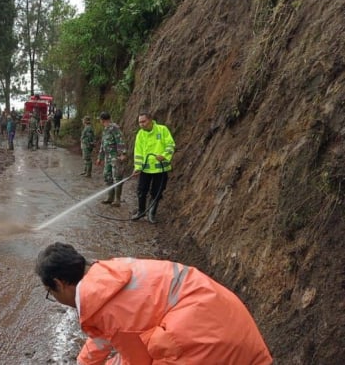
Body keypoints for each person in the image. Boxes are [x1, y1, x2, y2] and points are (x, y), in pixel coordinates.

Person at [35, 242, 273, 365]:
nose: (54, 298)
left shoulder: (109, 310)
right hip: (227, 318)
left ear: (60, 283)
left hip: (206, 341)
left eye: (50, 293)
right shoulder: (108, 276)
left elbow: (140, 360)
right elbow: (101, 337)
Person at [131, 111, 175, 223]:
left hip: (160, 169)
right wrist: (137, 167)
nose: (141, 124)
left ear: (150, 120)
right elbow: (138, 152)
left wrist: (164, 156)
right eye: (139, 122)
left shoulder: (162, 130)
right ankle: (141, 211)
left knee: (157, 192)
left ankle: (151, 213)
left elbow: (170, 145)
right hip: (145, 168)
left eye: (143, 121)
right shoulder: (140, 134)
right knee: (141, 190)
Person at [95, 112, 126, 207]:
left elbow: (120, 141)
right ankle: (110, 197)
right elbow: (103, 144)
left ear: (103, 120)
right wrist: (99, 157)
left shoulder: (114, 128)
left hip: (115, 157)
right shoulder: (105, 130)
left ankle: (117, 200)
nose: (100, 121)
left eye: (100, 119)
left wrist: (122, 154)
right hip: (107, 157)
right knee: (107, 176)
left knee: (117, 177)